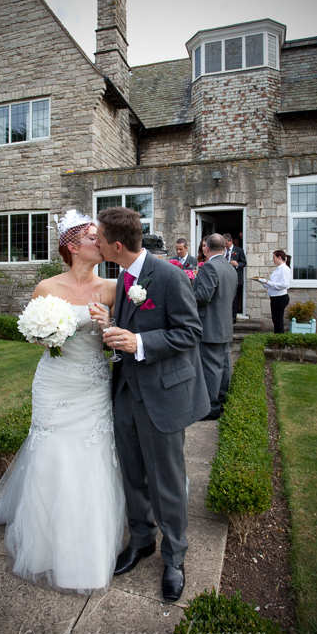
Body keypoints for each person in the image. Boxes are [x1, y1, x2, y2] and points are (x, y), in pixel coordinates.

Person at [0, 210, 125, 595]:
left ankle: (84, 547)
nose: (101, 240)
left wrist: (107, 324)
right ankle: (43, 541)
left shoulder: (112, 288)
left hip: (91, 384)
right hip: (53, 383)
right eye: (94, 236)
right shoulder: (46, 286)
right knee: (51, 451)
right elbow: (34, 333)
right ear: (73, 246)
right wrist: (47, 334)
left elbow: (122, 340)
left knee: (89, 456)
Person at [95, 207, 210, 603]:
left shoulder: (169, 276)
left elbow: (190, 332)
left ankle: (175, 556)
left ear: (117, 245)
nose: (94, 243)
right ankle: (141, 540)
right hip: (126, 393)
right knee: (133, 473)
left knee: (167, 481)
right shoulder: (122, 276)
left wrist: (140, 343)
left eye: (98, 238)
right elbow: (132, 327)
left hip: (161, 394)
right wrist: (109, 324)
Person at [193, 234, 237, 420]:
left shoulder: (210, 266)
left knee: (211, 368)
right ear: (224, 248)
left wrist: (185, 293)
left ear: (206, 248)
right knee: (223, 366)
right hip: (224, 324)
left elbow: (203, 296)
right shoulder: (229, 267)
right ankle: (221, 400)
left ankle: (210, 408)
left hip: (211, 325)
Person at [257, 249, 292, 333]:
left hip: (280, 298)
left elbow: (284, 284)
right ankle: (277, 338)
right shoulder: (278, 269)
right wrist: (262, 282)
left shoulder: (284, 269)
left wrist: (267, 282)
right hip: (275, 297)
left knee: (278, 320)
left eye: (274, 257)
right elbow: (272, 284)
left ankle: (279, 341)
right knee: (275, 319)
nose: (273, 259)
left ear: (279, 257)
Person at [223, 233, 247, 322]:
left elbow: (244, 263)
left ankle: (233, 317)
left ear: (231, 241)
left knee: (234, 298)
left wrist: (237, 264)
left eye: (226, 243)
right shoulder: (222, 250)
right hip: (224, 277)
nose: (225, 245)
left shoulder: (239, 250)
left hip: (235, 277)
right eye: (224, 244)